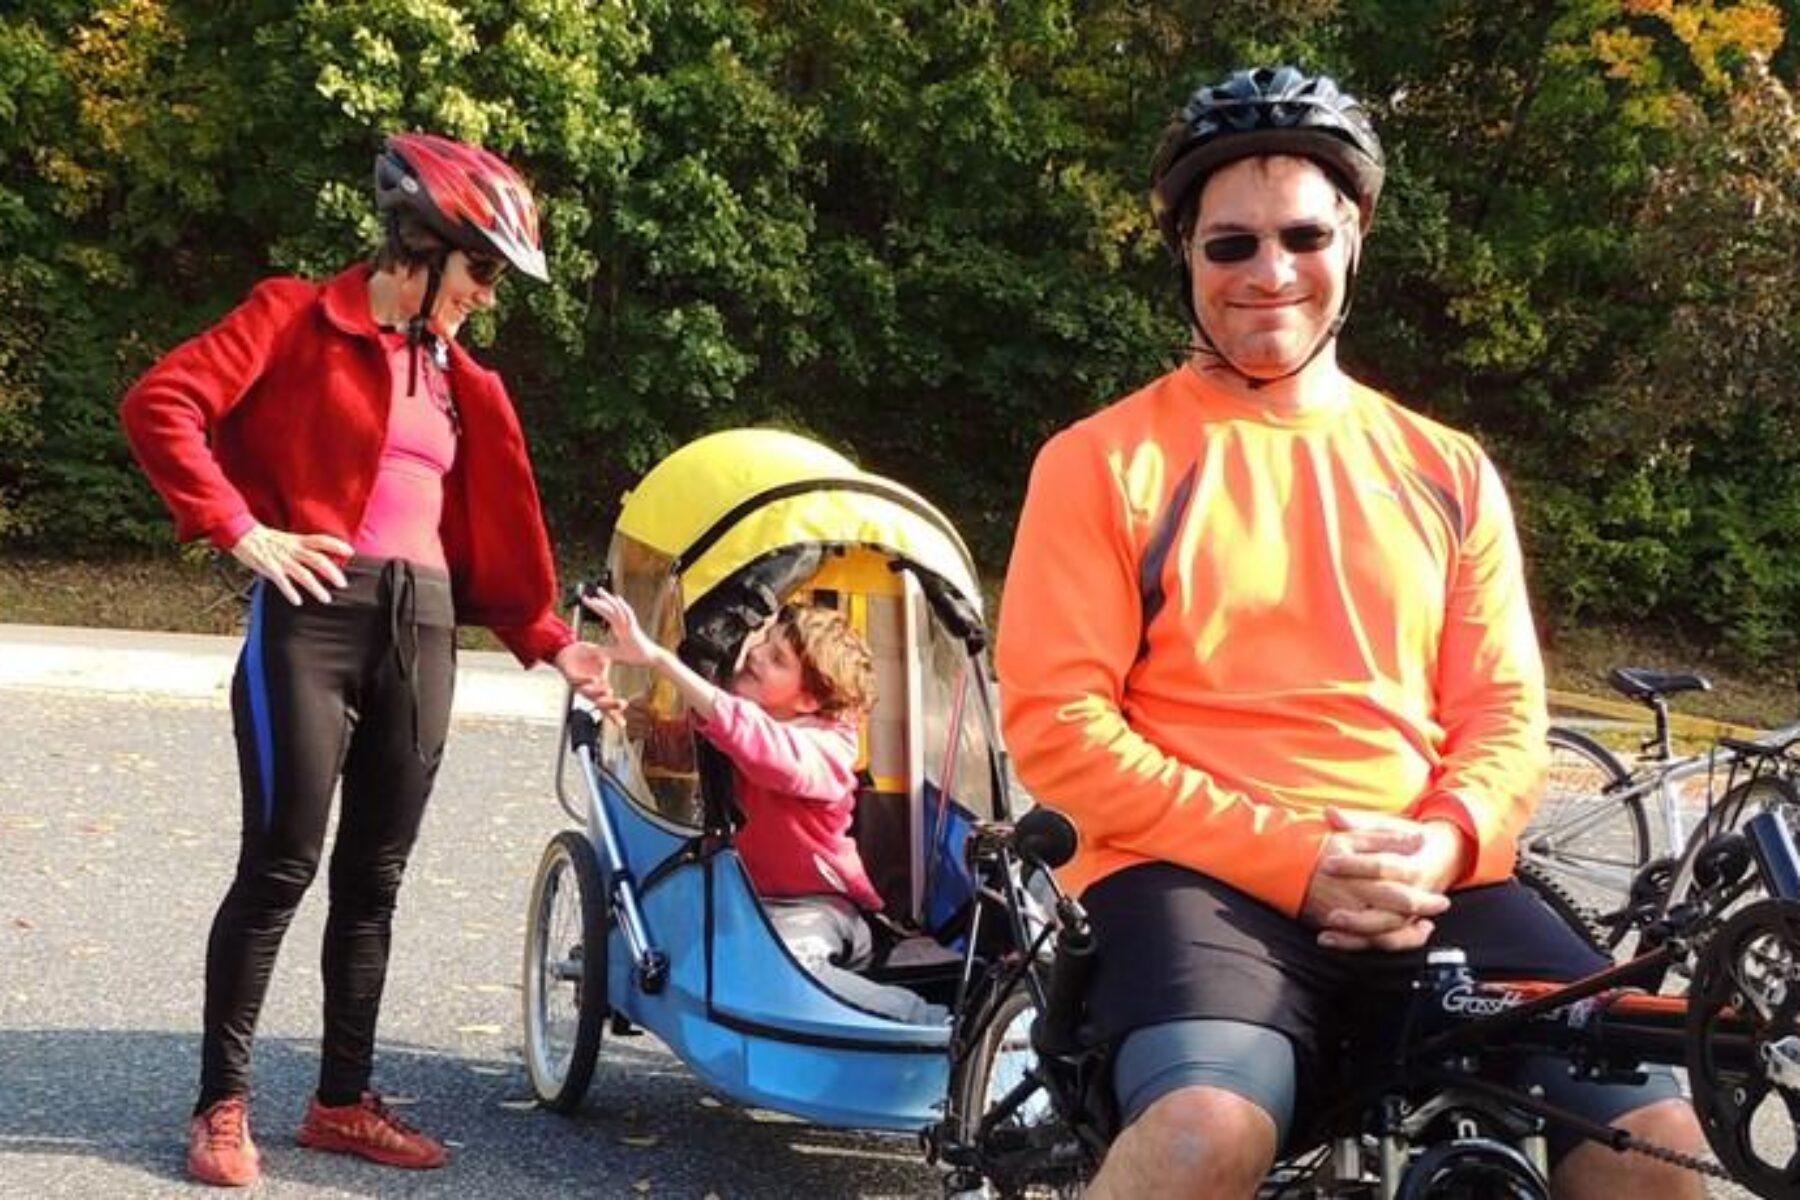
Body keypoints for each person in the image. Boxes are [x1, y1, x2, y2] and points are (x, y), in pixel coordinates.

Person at [994, 66, 1704, 1199]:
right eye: (1230, 245)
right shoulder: (1101, 462)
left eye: (1302, 235)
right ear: (1185, 253)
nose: (1269, 273)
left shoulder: (1446, 469)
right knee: (1199, 1139)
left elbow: (1505, 715)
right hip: (1192, 876)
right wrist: (1299, 860)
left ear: (1355, 234)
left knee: (1657, 1147)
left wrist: (1447, 840)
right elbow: (1060, 728)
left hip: (1429, 877)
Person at [120, 133, 613, 1188]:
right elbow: (161, 403)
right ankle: (220, 1107)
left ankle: (341, 1102)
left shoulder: (460, 382)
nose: (488, 295)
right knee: (280, 865)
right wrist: (241, 529)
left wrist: (552, 642)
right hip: (314, 618)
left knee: (375, 880)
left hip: (422, 629)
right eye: (481, 271)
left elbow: (494, 542)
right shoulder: (294, 314)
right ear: (424, 247)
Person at [582, 588, 943, 1024]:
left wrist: (662, 660)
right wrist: (650, 731)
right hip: (752, 900)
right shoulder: (760, 720)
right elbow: (699, 750)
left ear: (809, 700)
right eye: (764, 645)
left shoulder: (826, 749)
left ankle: (917, 1018)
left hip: (821, 907)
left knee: (787, 971)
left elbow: (757, 746)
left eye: (777, 660)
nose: (756, 657)